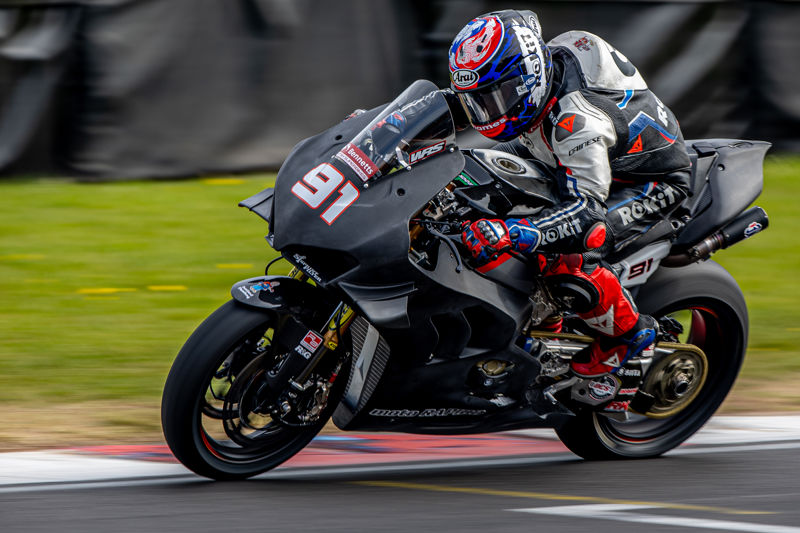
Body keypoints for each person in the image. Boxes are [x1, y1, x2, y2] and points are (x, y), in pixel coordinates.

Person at [450, 10, 692, 385]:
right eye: (480, 101)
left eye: (497, 98)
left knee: (570, 256)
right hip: (576, 155)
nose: (488, 113)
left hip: (648, 181)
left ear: (528, 78)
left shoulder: (576, 123)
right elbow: (457, 104)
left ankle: (630, 338)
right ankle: (543, 325)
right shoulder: (541, 71)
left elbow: (586, 217)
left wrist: (511, 234)